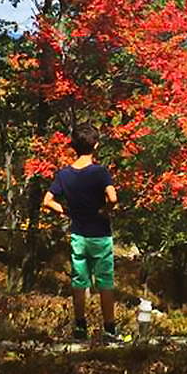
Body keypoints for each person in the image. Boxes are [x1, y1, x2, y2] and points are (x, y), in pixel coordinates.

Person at [42, 123, 120, 342]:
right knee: (105, 281)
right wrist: (105, 210)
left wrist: (64, 211)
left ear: (73, 146)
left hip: (78, 233)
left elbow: (47, 201)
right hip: (100, 234)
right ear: (95, 146)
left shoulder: (64, 175)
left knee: (79, 281)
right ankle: (109, 329)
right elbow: (113, 198)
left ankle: (80, 327)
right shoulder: (100, 172)